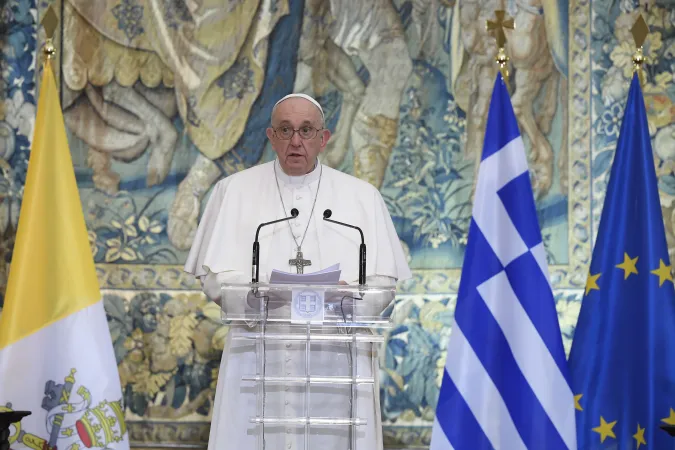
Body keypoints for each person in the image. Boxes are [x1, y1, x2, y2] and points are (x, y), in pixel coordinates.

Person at [184, 93, 411, 450]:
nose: (295, 141)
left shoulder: (362, 197)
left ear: (324, 138)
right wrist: (258, 296)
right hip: (257, 356)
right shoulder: (233, 191)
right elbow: (212, 276)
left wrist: (348, 300)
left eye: (306, 130)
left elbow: (385, 284)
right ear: (271, 137)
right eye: (285, 130)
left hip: (335, 362)